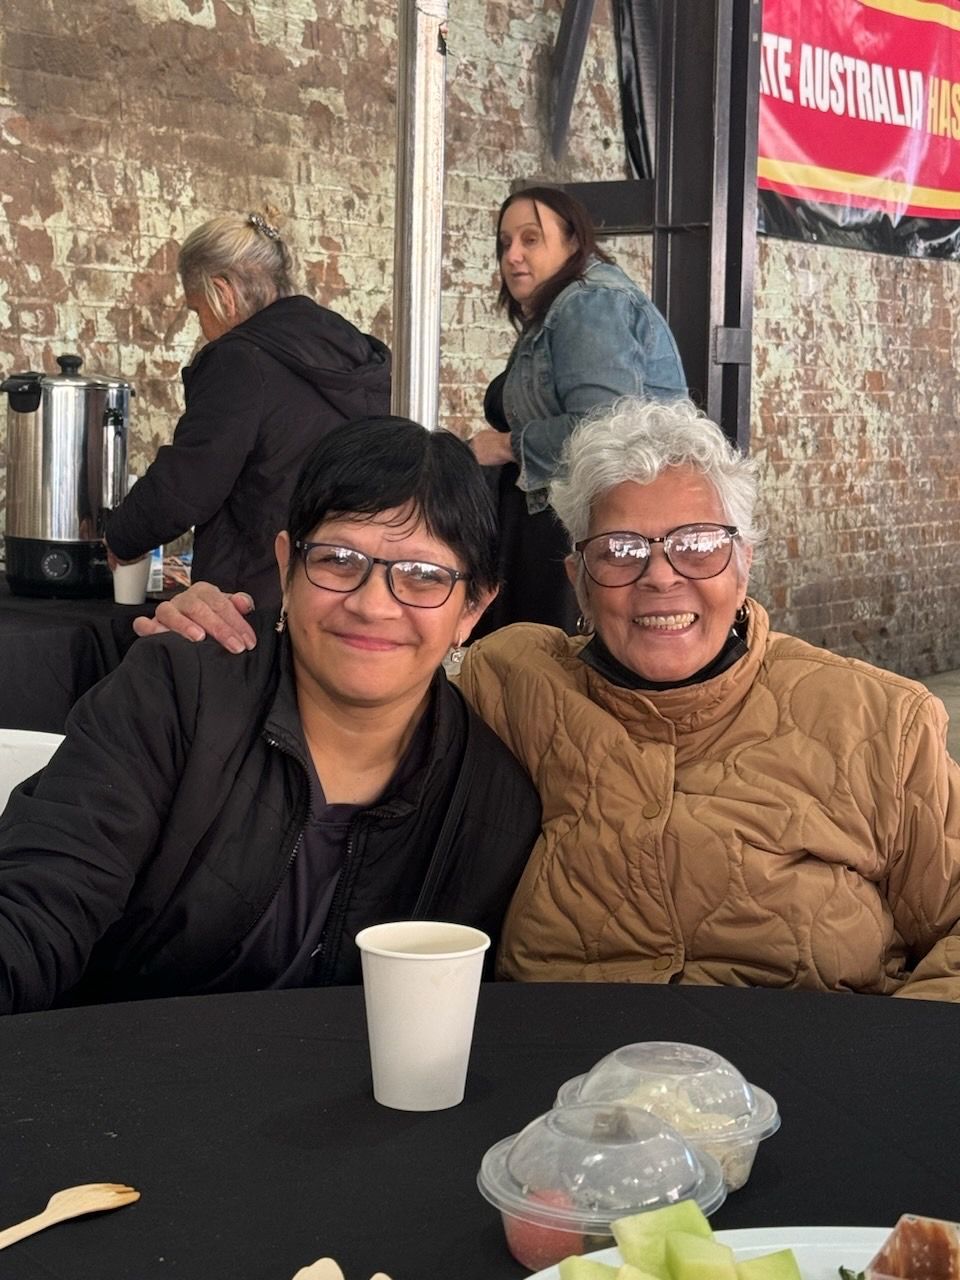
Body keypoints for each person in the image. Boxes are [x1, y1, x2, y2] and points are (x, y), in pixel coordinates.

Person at [153, 398, 960, 1001]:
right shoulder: (512, 683)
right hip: (554, 1102)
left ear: (742, 563)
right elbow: (375, 659)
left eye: (697, 545)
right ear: (576, 578)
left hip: (800, 1101)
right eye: (619, 550)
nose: (659, 576)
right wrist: (234, 636)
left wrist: (875, 1062)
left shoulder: (880, 722)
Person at [0, 418, 540, 1014]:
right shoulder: (180, 691)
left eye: (423, 576)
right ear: (286, 565)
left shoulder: (489, 803)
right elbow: (40, 901)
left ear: (473, 608)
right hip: (123, 1081)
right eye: (338, 559)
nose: (372, 604)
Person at [104, 208, 391, 607]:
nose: (202, 325)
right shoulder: (354, 350)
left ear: (223, 292)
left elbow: (190, 478)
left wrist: (122, 536)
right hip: (344, 588)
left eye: (197, 308)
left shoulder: (238, 361)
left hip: (249, 601)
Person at [469, 186, 686, 637]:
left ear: (573, 242)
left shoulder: (589, 304)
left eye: (531, 239)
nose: (512, 256)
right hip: (552, 521)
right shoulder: (565, 305)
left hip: (571, 525)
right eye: (504, 243)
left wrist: (506, 446)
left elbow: (604, 429)